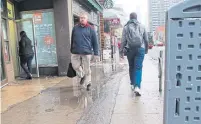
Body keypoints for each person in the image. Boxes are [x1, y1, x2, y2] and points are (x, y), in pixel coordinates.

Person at [120, 12, 148, 96]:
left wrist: (121, 51)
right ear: (136, 18)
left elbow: (123, 40)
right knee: (138, 68)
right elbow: (146, 40)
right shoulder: (142, 26)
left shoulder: (126, 27)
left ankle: (132, 83)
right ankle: (137, 86)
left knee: (131, 66)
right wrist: (146, 50)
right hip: (140, 49)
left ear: (130, 18)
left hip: (130, 49)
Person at [70, 13, 99, 91]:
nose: (82, 19)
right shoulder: (75, 28)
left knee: (87, 68)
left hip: (86, 52)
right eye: (81, 18)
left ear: (86, 19)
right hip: (75, 51)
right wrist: (71, 49)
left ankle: (88, 83)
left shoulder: (91, 29)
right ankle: (82, 75)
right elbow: (72, 39)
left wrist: (96, 53)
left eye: (84, 18)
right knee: (75, 66)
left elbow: (95, 42)